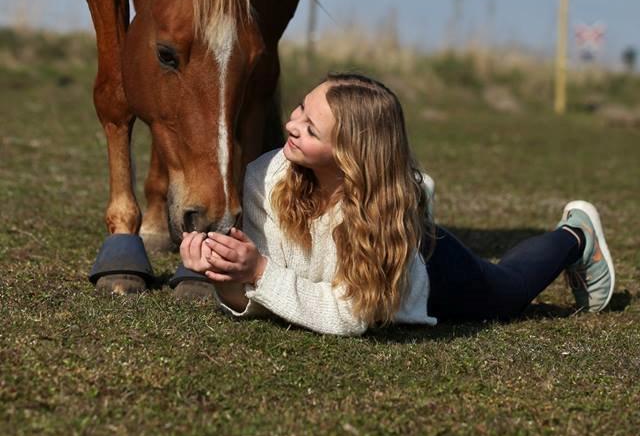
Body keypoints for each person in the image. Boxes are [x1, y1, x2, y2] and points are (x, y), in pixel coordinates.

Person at [180, 72, 615, 336]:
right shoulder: (263, 179)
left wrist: (257, 270)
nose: (291, 125)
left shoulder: (378, 217)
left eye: (310, 129)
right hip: (385, 237)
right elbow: (258, 299)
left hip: (428, 269)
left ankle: (575, 235)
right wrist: (224, 273)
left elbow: (351, 315)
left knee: (509, 292)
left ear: (349, 155)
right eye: (299, 109)